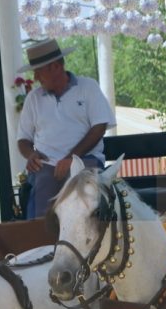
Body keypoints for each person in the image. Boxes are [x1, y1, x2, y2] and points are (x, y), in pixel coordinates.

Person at [16, 38, 116, 218]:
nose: (35, 78)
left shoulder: (87, 87)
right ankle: (39, 240)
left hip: (87, 160)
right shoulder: (33, 98)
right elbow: (23, 139)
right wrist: (31, 154)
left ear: (55, 67)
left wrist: (72, 158)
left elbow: (99, 127)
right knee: (43, 183)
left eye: (38, 71)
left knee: (81, 187)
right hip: (47, 165)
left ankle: (85, 239)